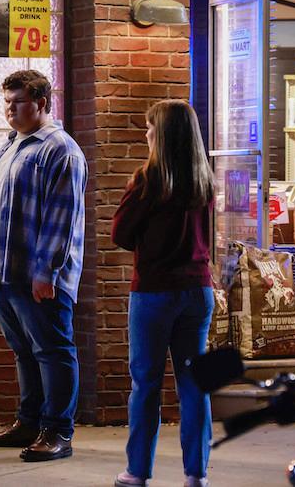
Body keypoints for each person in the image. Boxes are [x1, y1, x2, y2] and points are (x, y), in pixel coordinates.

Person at [0, 69, 87, 462]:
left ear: (40, 103)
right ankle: (29, 421)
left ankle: (57, 432)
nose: (9, 109)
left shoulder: (60, 149)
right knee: (23, 349)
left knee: (53, 350)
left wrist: (46, 273)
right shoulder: (8, 145)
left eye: (16, 102)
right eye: (6, 102)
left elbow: (62, 217)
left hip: (35, 275)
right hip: (2, 270)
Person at [110, 100, 216, 487]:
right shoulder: (204, 180)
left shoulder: (147, 181)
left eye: (150, 127)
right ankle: (196, 475)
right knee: (194, 384)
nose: (146, 133)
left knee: (146, 384)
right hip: (197, 290)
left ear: (164, 134)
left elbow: (119, 234)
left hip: (154, 293)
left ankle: (137, 472)